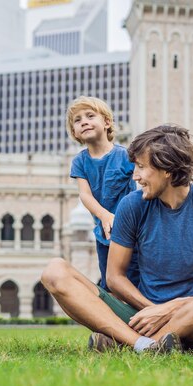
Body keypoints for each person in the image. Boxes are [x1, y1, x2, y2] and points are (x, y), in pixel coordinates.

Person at [41, 125, 193, 353]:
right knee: (55, 271)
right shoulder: (132, 205)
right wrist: (152, 310)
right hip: (142, 317)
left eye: (141, 167)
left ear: (166, 169)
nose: (135, 175)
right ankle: (145, 346)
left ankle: (126, 344)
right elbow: (114, 277)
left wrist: (169, 310)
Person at [66, 96, 138, 290]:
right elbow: (85, 195)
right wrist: (104, 215)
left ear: (107, 122)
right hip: (104, 234)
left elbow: (142, 188)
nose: (84, 122)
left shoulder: (126, 156)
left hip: (133, 233)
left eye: (90, 116)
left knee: (135, 278)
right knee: (110, 282)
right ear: (75, 132)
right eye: (78, 120)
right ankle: (113, 318)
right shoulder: (80, 162)